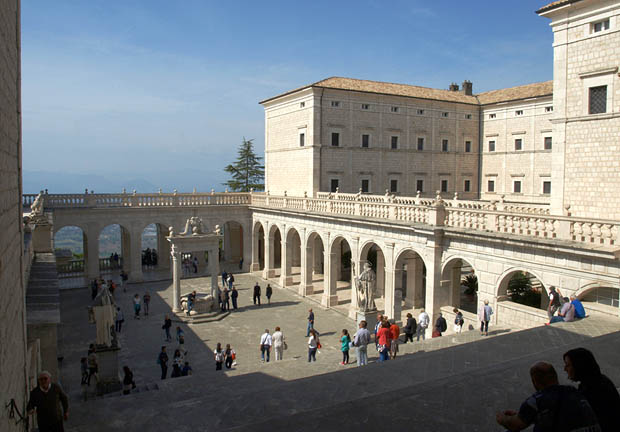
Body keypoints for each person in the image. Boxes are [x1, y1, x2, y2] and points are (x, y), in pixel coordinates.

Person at [496, 362, 600, 431]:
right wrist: (526, 415)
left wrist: (502, 418)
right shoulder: (573, 391)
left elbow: (515, 425)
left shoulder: (536, 401)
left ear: (534, 381)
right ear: (555, 377)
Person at [564, 347, 620, 431]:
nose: (565, 369)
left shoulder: (592, 390)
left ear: (579, 366)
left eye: (568, 365)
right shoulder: (599, 380)